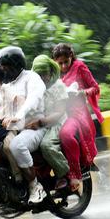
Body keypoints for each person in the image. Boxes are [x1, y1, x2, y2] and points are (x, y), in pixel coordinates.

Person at [0, 46, 47, 204]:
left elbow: (33, 100)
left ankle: (34, 186)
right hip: (15, 128)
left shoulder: (32, 78)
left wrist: (18, 115)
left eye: (3, 68)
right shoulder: (6, 86)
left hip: (34, 126)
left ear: (14, 65)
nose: (2, 73)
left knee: (16, 145)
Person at [53, 43, 104, 192]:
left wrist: (82, 93)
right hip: (58, 115)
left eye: (65, 62)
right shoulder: (54, 73)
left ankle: (75, 174)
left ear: (71, 57)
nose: (63, 66)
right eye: (59, 63)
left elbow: (95, 88)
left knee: (66, 136)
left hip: (76, 114)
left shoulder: (79, 67)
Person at [28, 55, 70, 189]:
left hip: (57, 123)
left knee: (46, 145)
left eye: (44, 74)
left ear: (50, 72)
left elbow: (59, 112)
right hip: (39, 122)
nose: (42, 78)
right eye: (39, 75)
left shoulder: (58, 86)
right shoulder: (33, 87)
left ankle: (64, 174)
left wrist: (40, 122)